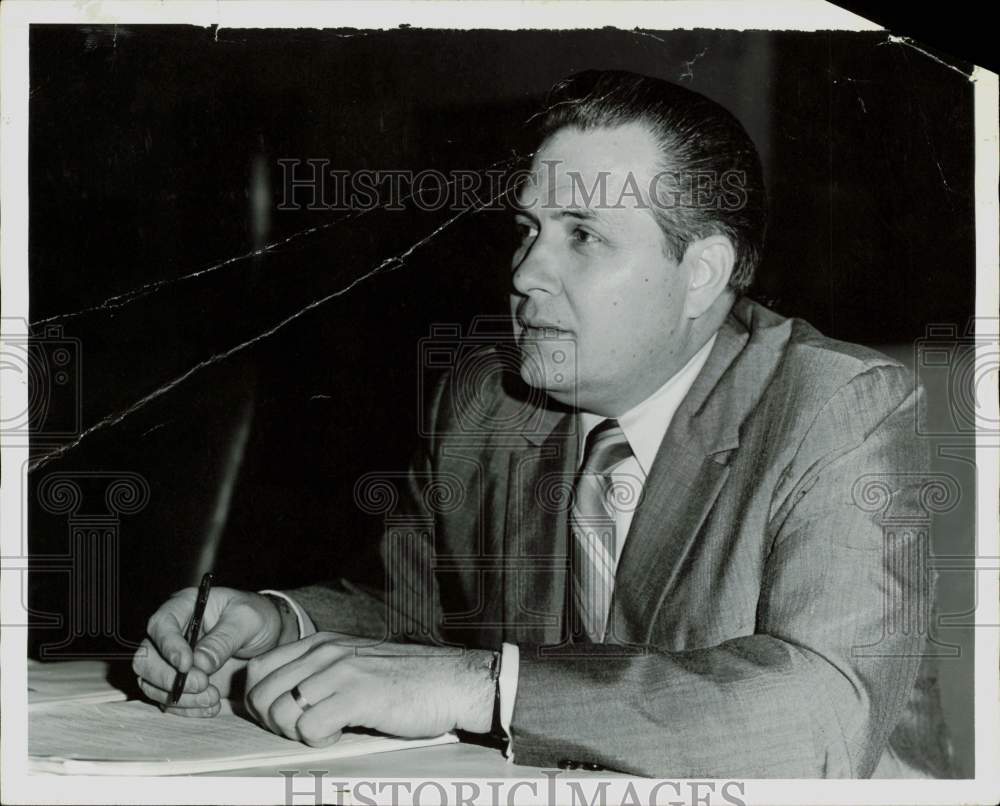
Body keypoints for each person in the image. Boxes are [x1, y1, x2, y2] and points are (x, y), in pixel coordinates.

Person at [133, 70, 952, 777]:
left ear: (702, 272)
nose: (525, 273)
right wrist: (281, 624)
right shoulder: (491, 402)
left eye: (584, 237)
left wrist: (485, 685)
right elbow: (420, 614)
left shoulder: (839, 406)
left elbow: (821, 721)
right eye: (528, 230)